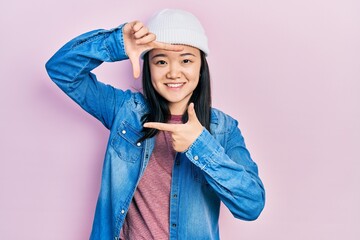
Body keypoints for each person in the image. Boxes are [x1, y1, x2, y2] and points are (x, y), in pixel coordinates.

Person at [45, 8, 265, 240]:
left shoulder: (224, 130)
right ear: (149, 68)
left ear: (201, 67)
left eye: (186, 60)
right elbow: (62, 70)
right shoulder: (125, 111)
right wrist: (116, 43)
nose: (173, 72)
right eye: (161, 61)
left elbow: (251, 205)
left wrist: (201, 146)